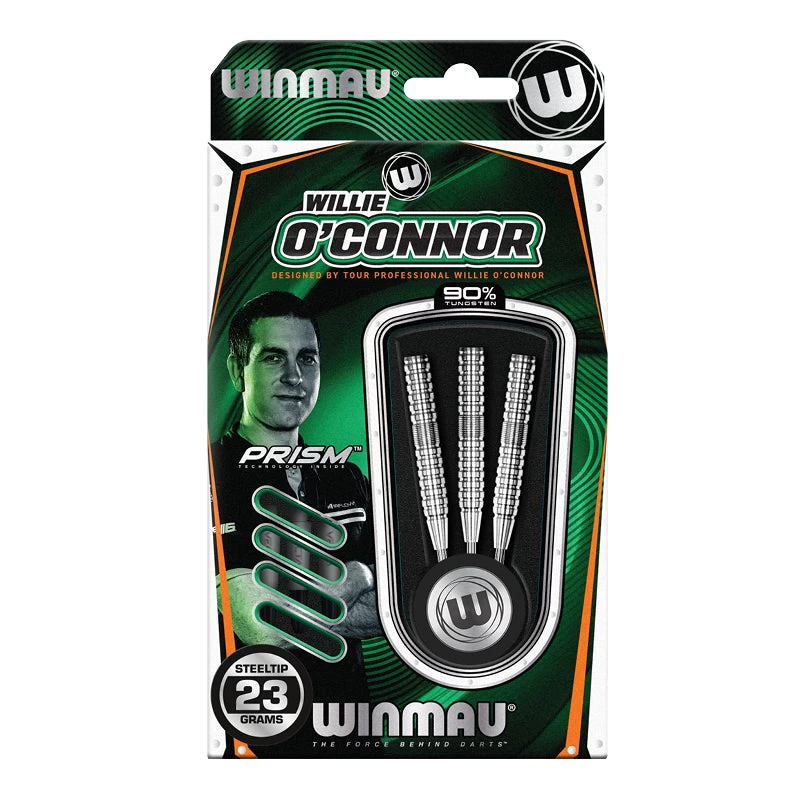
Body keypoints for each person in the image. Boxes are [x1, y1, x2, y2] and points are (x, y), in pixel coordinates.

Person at [210, 292, 381, 748]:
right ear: (237, 371)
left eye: (307, 358)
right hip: (258, 741)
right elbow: (260, 623)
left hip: (352, 734)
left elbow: (399, 608)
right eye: (273, 358)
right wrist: (361, 576)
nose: (294, 376)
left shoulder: (346, 476)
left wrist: (298, 600)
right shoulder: (209, 476)